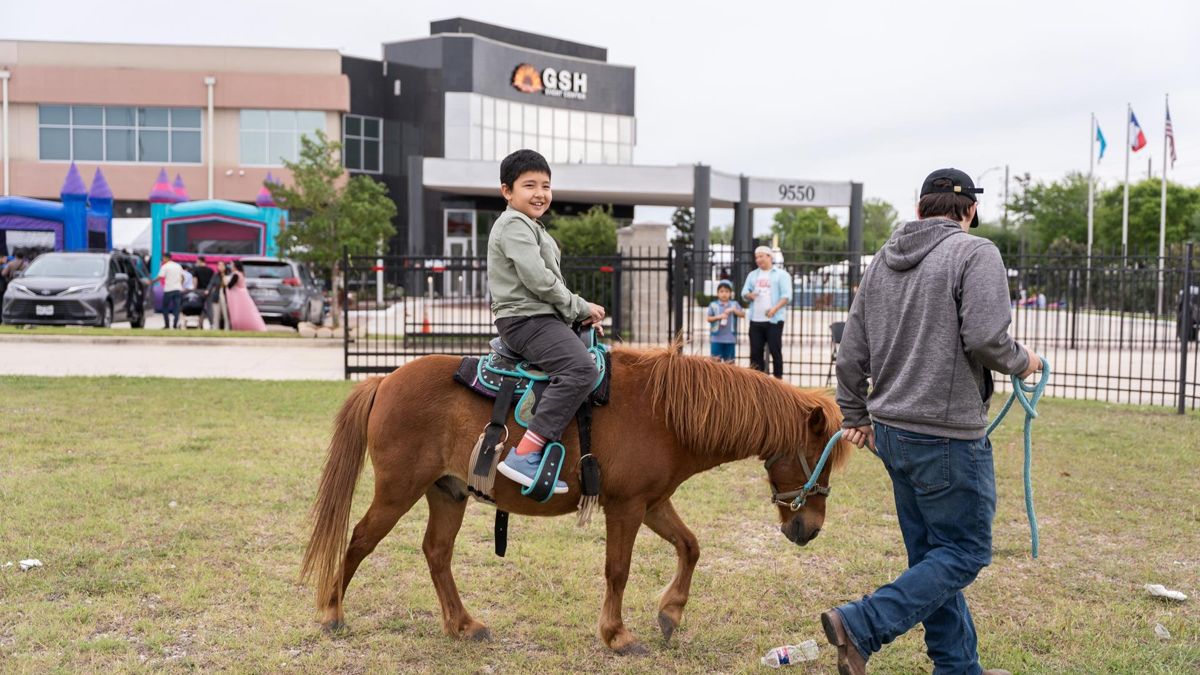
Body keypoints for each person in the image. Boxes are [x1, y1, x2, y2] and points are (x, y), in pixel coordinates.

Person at [826, 168, 1042, 675]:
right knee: (964, 553)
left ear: (920, 209)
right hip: (946, 438)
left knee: (932, 558)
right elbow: (988, 339)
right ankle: (861, 624)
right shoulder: (976, 252)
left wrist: (856, 414)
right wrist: (1023, 361)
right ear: (968, 212)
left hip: (893, 436)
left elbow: (850, 353)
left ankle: (958, 668)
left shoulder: (882, 259)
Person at [488, 149, 605, 495]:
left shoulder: (532, 227)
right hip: (526, 320)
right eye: (529, 185)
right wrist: (579, 306)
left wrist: (578, 316)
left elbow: (548, 282)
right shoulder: (513, 225)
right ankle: (525, 453)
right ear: (507, 191)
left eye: (546, 185)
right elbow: (539, 280)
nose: (540, 193)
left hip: (541, 316)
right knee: (582, 370)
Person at [741, 246, 792, 378]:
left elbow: (787, 296)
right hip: (756, 320)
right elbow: (744, 293)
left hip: (774, 320)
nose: (758, 259)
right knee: (755, 353)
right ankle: (758, 382)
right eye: (756, 257)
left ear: (769, 257)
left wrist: (774, 309)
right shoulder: (752, 275)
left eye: (761, 256)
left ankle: (778, 382)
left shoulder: (781, 275)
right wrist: (749, 295)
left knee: (775, 351)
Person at [706, 279, 744, 363]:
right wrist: (719, 317)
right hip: (716, 339)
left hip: (730, 339)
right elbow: (708, 318)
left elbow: (742, 314)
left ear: (730, 293)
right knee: (715, 364)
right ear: (718, 293)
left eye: (727, 291)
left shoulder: (734, 304)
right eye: (721, 291)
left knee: (729, 364)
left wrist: (734, 310)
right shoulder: (713, 305)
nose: (724, 294)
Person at [223, 261, 267, 332]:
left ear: (235, 266)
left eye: (232, 265)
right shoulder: (240, 274)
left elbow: (230, 285)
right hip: (244, 297)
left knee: (239, 312)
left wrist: (225, 281)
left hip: (239, 298)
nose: (231, 267)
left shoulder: (236, 275)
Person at [153, 252, 185, 329]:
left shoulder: (165, 266)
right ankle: (175, 325)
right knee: (177, 308)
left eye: (163, 258)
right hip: (177, 289)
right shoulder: (178, 266)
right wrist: (180, 285)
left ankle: (167, 325)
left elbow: (160, 277)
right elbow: (183, 277)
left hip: (168, 290)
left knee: (165, 307)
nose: (162, 260)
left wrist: (151, 282)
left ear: (166, 258)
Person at [192, 256, 216, 328]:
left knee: (200, 307)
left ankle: (200, 324)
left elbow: (195, 281)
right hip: (209, 291)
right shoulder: (211, 270)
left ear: (200, 261)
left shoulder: (196, 270)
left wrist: (194, 289)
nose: (196, 263)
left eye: (197, 261)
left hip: (199, 291)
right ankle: (211, 324)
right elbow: (213, 282)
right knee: (209, 308)